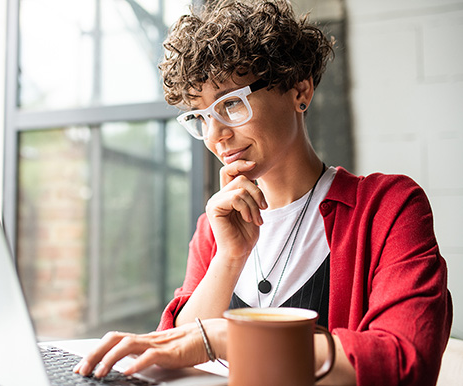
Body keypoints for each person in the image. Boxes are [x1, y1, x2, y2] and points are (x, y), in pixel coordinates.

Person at [75, 0, 453, 385]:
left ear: (298, 90)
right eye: (201, 116)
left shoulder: (386, 208)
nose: (215, 135)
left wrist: (229, 337)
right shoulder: (214, 228)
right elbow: (173, 350)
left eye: (231, 104)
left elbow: (405, 362)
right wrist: (229, 257)